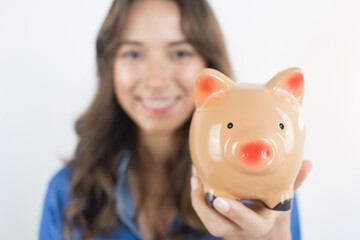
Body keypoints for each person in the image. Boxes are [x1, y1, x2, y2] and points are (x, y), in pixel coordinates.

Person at [39, 0, 312, 239]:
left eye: (180, 52)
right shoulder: (67, 193)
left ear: (209, 66)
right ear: (109, 66)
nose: (156, 80)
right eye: (133, 53)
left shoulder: (263, 193)